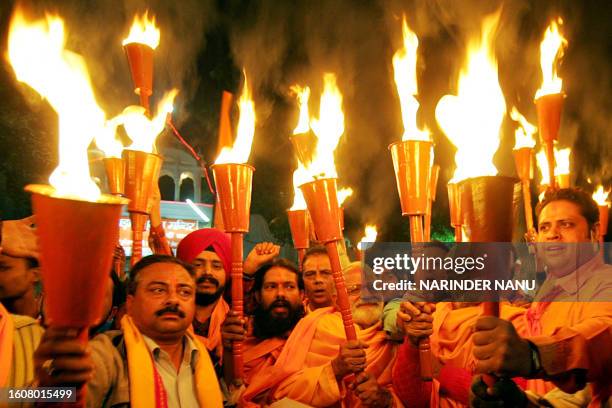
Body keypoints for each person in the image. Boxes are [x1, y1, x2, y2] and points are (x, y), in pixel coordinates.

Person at [470, 188, 612, 407]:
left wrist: (534, 356)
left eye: (566, 224)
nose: (552, 234)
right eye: (544, 227)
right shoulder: (548, 292)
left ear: (593, 232)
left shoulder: (605, 282)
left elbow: (603, 335)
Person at [33, 254, 223, 407]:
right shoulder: (105, 353)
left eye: (184, 292)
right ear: (130, 304)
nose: (173, 300)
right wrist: (51, 392)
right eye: (158, 290)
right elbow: (11, 397)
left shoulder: (204, 356)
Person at [224, 260, 401, 407]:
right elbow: (281, 395)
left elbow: (418, 396)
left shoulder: (398, 332)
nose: (367, 294)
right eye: (355, 289)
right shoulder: (316, 327)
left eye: (374, 287)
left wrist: (384, 398)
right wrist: (334, 370)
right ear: (336, 300)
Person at [176, 228, 279, 367]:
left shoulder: (236, 318)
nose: (208, 272)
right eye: (198, 265)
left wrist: (249, 266)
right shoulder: (167, 315)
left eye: (217, 266)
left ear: (227, 273)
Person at [301, 246, 335, 311]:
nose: (318, 280)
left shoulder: (350, 316)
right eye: (310, 274)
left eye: (325, 273)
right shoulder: (294, 317)